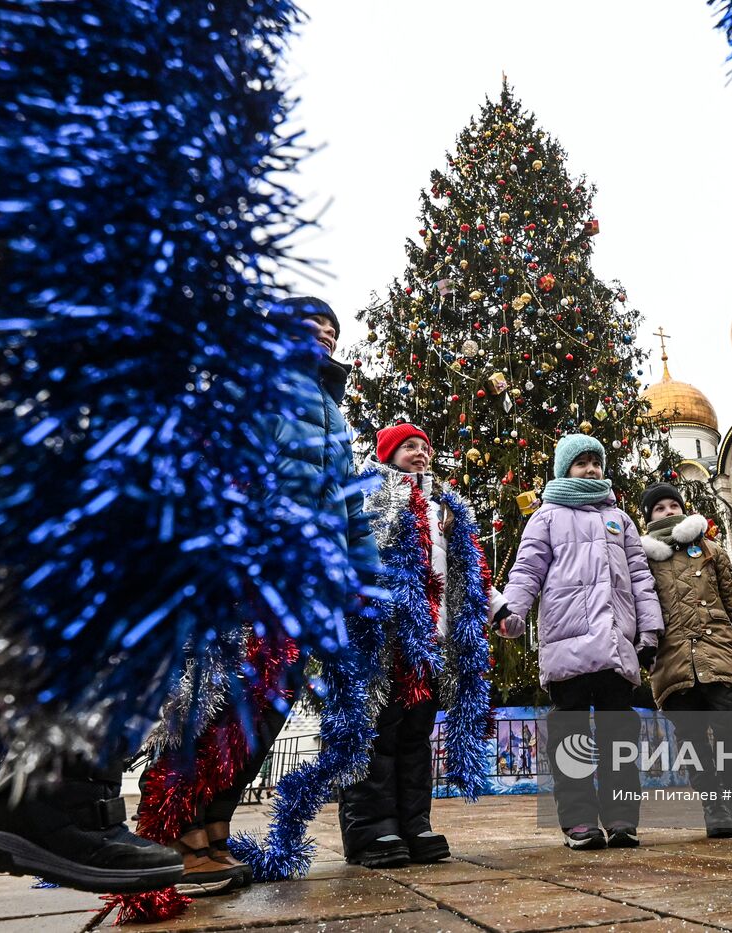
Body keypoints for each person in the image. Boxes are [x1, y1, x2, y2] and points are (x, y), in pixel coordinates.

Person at [129, 295, 379, 893]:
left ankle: (214, 828)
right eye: (312, 324)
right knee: (216, 699)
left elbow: (350, 507)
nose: (324, 334)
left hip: (306, 586)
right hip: (248, 575)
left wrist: (363, 579)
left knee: (267, 710)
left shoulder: (333, 411)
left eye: (332, 329)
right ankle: (170, 829)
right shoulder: (250, 385)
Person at [336, 422, 511, 868]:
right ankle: (372, 830)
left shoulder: (444, 510)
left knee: (415, 735)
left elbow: (472, 574)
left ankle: (414, 823)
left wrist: (500, 609)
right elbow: (357, 551)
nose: (420, 453)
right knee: (378, 734)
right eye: (409, 446)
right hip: (385, 637)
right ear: (389, 455)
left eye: (424, 447)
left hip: (432, 642)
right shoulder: (372, 495)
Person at [499, 434, 663, 850]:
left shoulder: (620, 519)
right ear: (564, 470)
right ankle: (578, 822)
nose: (590, 469)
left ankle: (622, 816)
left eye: (596, 462)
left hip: (614, 643)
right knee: (570, 733)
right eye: (581, 463)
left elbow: (641, 580)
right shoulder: (547, 517)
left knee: (618, 734)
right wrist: (512, 613)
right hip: (566, 642)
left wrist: (649, 631)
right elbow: (526, 570)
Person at [638, 482, 732, 838]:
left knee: (729, 720)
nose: (669, 511)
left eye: (674, 505)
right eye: (660, 508)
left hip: (717, 647)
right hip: (671, 656)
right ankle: (713, 804)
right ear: (648, 518)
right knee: (690, 734)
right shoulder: (642, 560)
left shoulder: (710, 549)